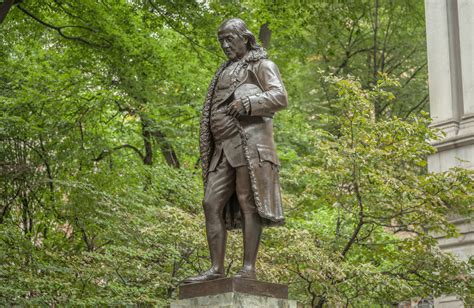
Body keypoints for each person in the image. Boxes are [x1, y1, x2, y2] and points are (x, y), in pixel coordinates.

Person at [184, 18, 288, 282]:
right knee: (211, 203)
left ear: (246, 38)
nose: (225, 45)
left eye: (230, 39)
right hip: (223, 148)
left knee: (248, 203)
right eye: (221, 40)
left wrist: (249, 104)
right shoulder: (224, 71)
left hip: (249, 145)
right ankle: (216, 270)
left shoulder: (263, 65)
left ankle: (248, 270)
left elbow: (280, 97)